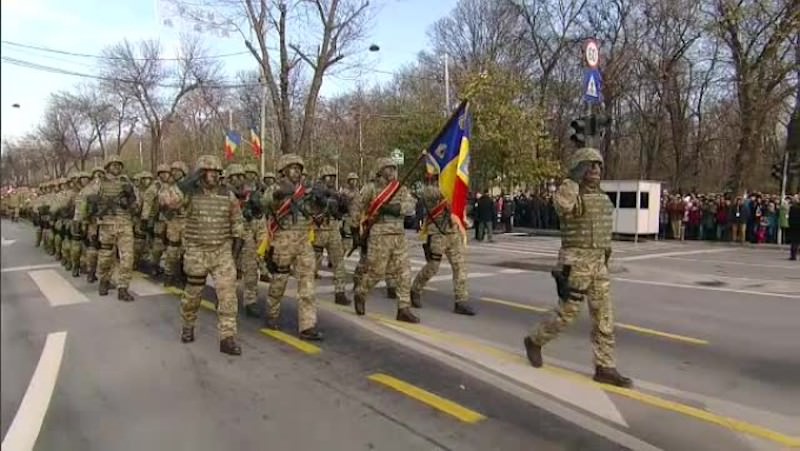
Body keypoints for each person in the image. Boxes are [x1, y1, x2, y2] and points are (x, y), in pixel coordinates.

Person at [523, 147, 632, 388]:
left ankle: (605, 366)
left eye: (598, 165)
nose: (595, 169)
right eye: (589, 164)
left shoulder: (603, 198)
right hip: (576, 262)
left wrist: (605, 258)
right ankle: (535, 340)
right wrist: (573, 179)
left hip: (599, 264)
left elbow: (604, 235)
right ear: (579, 168)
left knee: (604, 316)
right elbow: (562, 206)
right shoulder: (570, 193)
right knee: (567, 313)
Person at [170, 155, 245, 355]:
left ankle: (227, 338)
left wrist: (236, 251)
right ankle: (188, 325)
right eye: (210, 172)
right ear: (201, 174)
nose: (214, 175)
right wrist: (185, 184)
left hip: (222, 252)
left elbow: (237, 221)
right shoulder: (190, 194)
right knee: (192, 295)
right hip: (196, 251)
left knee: (228, 296)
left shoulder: (227, 195)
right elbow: (167, 201)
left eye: (217, 172)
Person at [262, 153, 323, 341]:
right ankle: (272, 313)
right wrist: (279, 194)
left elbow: (316, 214)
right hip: (283, 240)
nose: (296, 172)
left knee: (307, 284)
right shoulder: (275, 187)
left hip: (304, 241)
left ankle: (307, 325)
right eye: (292, 168)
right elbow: (265, 202)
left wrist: (322, 203)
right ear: (284, 171)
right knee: (279, 281)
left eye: (298, 169)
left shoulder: (306, 191)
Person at [353, 157, 419, 323]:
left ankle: (403, 308)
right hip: (379, 235)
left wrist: (396, 208)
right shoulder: (371, 189)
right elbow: (356, 206)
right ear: (380, 170)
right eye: (388, 168)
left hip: (398, 235)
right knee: (377, 272)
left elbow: (411, 206)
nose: (392, 172)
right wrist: (355, 229)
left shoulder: (400, 188)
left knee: (404, 273)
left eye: (393, 168)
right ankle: (361, 292)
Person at [410, 172, 475, 315]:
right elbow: (432, 196)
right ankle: (415, 289)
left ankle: (461, 300)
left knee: (460, 267)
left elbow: (460, 203)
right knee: (433, 266)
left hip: (453, 233)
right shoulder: (430, 191)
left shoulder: (450, 189)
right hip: (438, 233)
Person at [94, 156, 136, 301]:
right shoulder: (100, 182)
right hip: (107, 225)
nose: (116, 167)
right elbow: (88, 199)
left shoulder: (127, 182)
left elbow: (136, 204)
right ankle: (104, 281)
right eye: (113, 165)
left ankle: (123, 288)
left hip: (124, 224)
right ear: (107, 167)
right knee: (105, 257)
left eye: (119, 165)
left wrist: (130, 197)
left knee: (127, 258)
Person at [788, 195, 800, 261]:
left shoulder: (792, 207)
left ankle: (793, 255)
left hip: (793, 226)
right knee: (796, 241)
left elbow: (790, 217)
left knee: (794, 241)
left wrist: (790, 224)